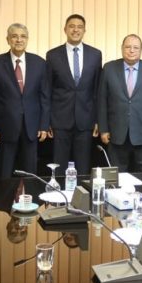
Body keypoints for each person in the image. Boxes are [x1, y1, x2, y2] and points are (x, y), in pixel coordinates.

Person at [0, 23, 49, 177]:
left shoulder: (40, 63)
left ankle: (29, 194)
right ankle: (4, 195)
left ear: (27, 39)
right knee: (4, 173)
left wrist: (44, 125)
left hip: (32, 128)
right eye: (14, 36)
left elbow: (45, 97)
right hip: (5, 128)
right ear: (8, 40)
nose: (19, 40)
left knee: (30, 174)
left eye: (23, 36)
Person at [45, 14, 102, 175]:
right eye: (71, 26)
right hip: (60, 120)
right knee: (59, 166)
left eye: (79, 27)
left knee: (83, 167)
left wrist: (98, 120)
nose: (75, 30)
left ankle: (81, 192)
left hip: (86, 119)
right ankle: (59, 191)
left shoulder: (95, 54)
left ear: (84, 30)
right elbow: (47, 89)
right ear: (65, 29)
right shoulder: (53, 55)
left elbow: (97, 90)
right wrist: (47, 121)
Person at [97, 34, 142, 173]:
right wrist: (103, 129)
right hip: (116, 134)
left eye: (135, 47)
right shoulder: (109, 68)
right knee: (117, 175)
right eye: (128, 47)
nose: (131, 50)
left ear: (141, 50)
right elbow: (102, 100)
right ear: (122, 48)